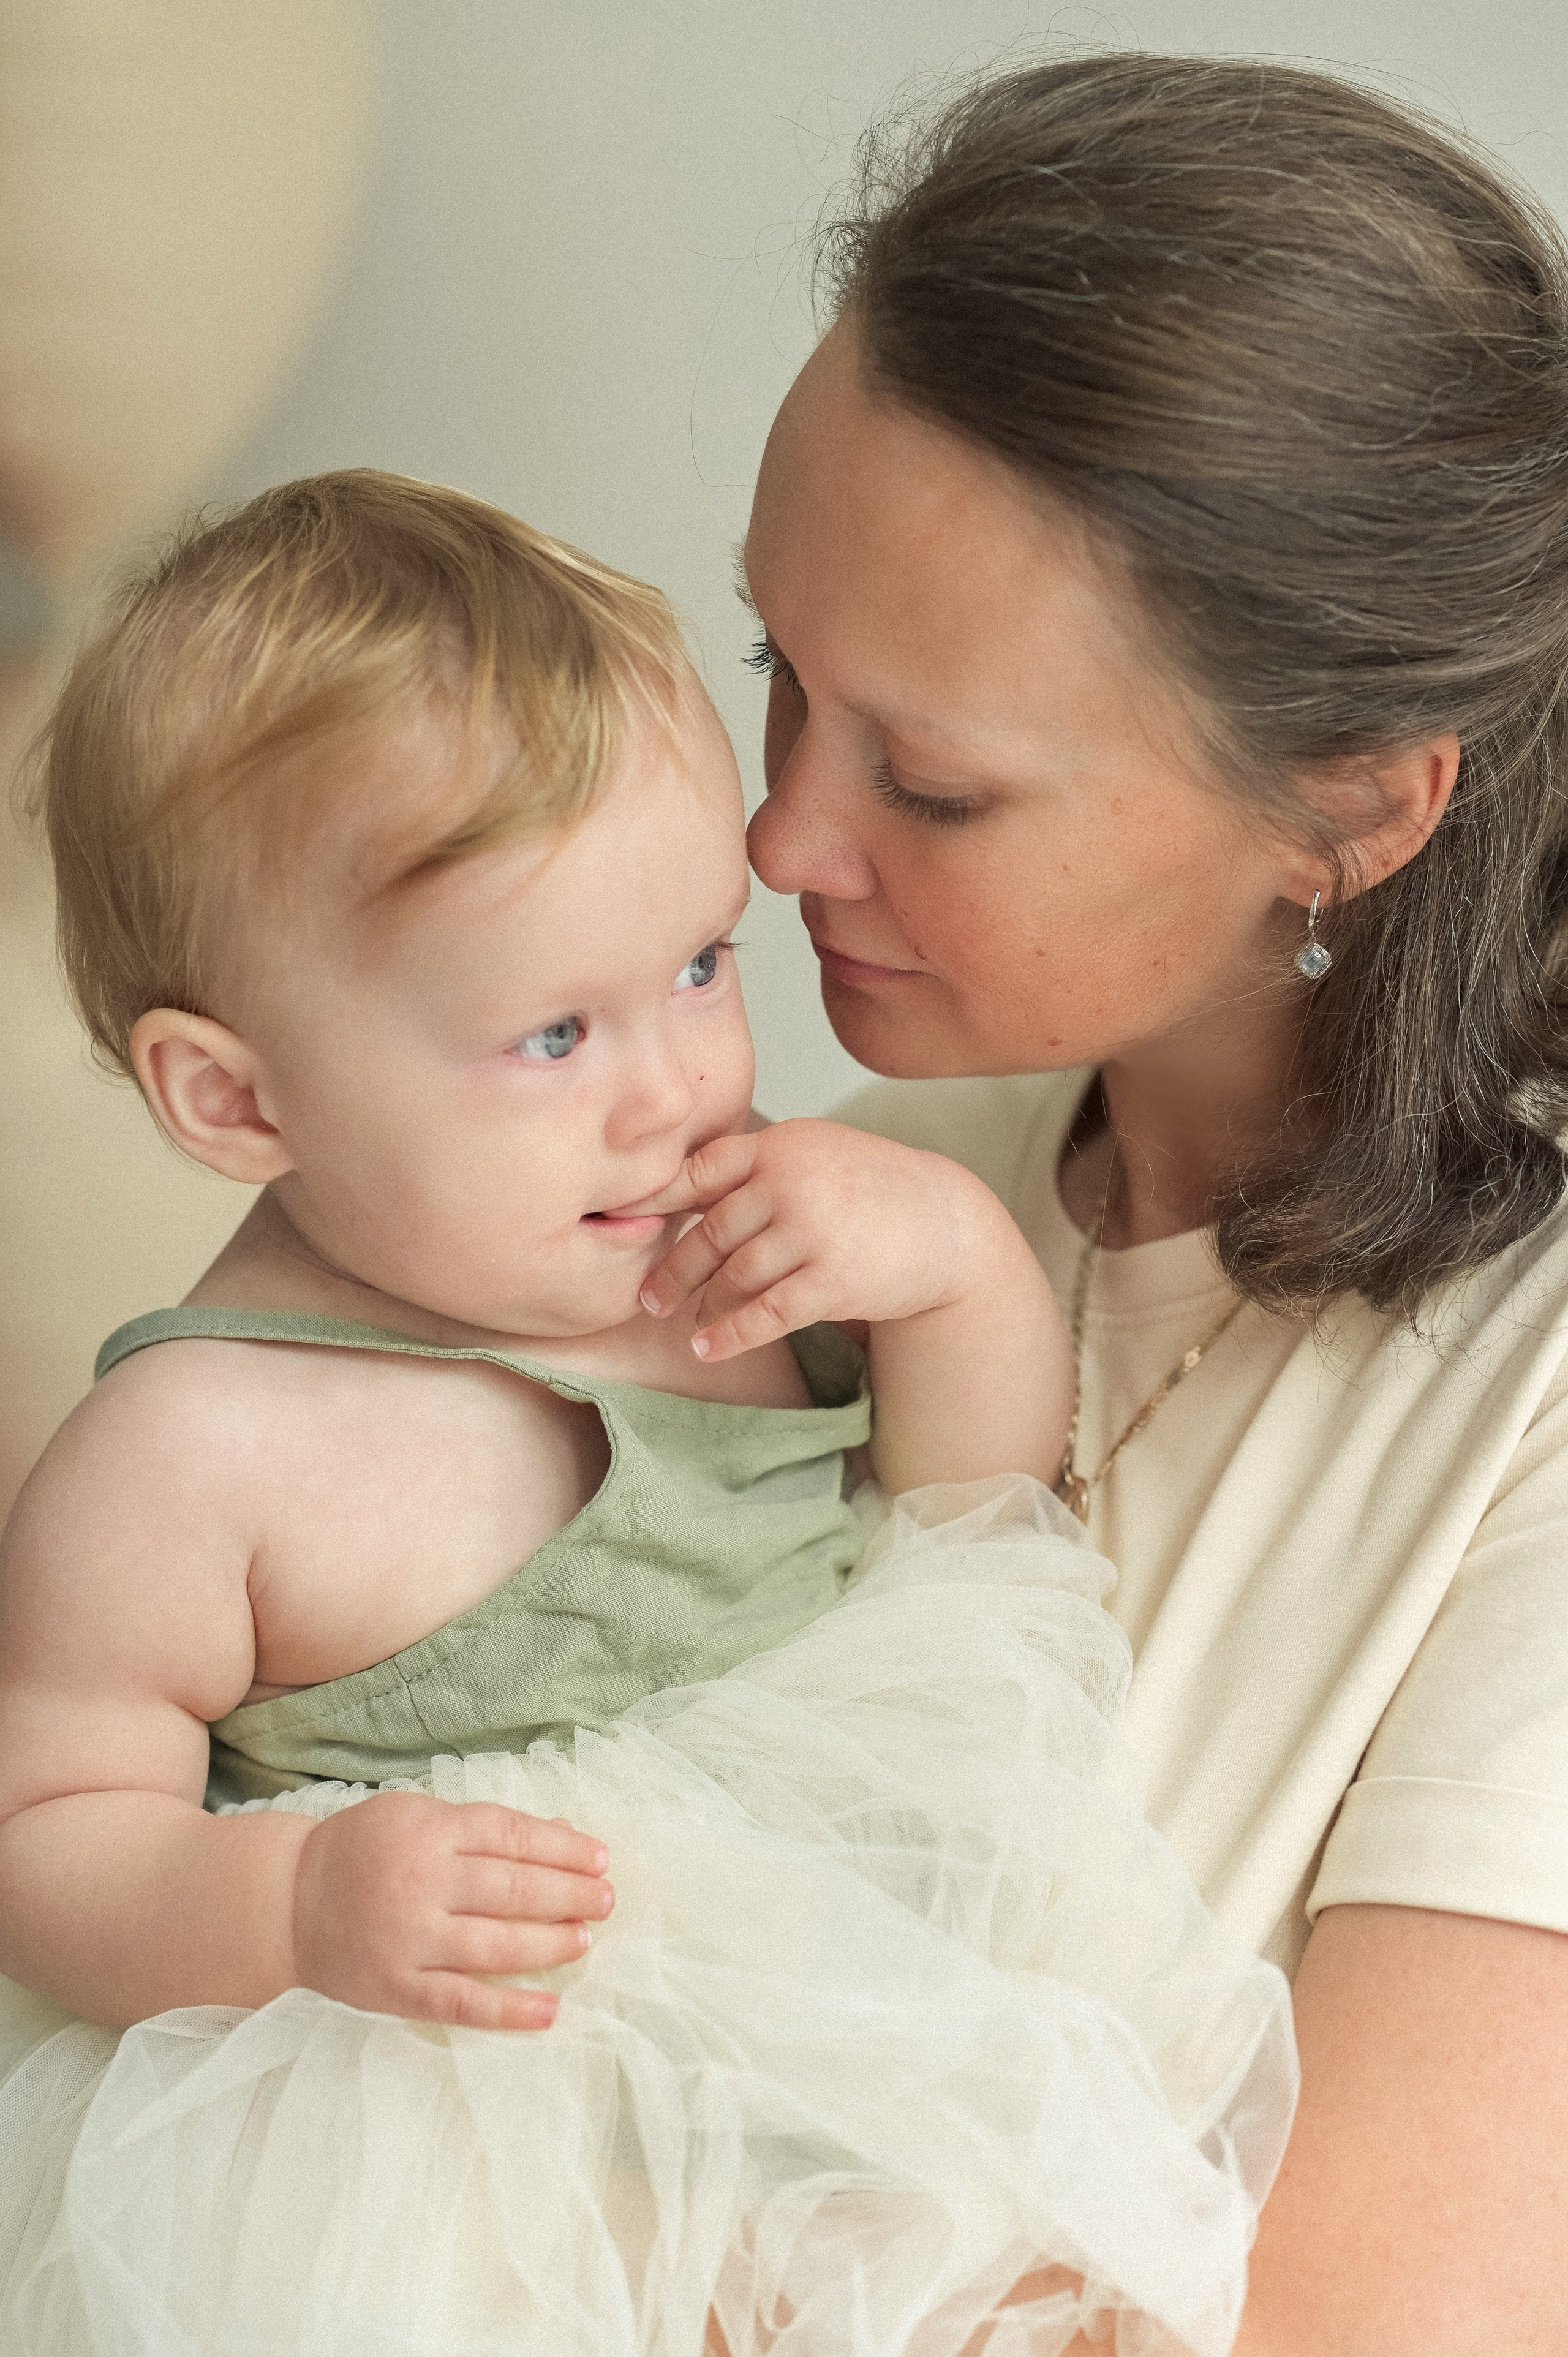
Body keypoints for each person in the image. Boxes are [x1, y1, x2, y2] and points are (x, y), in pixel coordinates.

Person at [0, 471, 1294, 2356]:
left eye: (699, 966)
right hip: (430, 2137)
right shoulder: (194, 1452)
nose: (674, 1084)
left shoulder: (718, 1240)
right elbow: (46, 1827)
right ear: (239, 1104)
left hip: (836, 2042)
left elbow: (971, 1532)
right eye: (553, 1036)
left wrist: (945, 1268)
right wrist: (287, 1908)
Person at [739, 52, 1568, 2355]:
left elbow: (1376, 2322)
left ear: (1354, 813)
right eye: (774, 679)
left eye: (932, 781)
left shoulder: (1536, 1393)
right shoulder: (865, 1202)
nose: (779, 842)